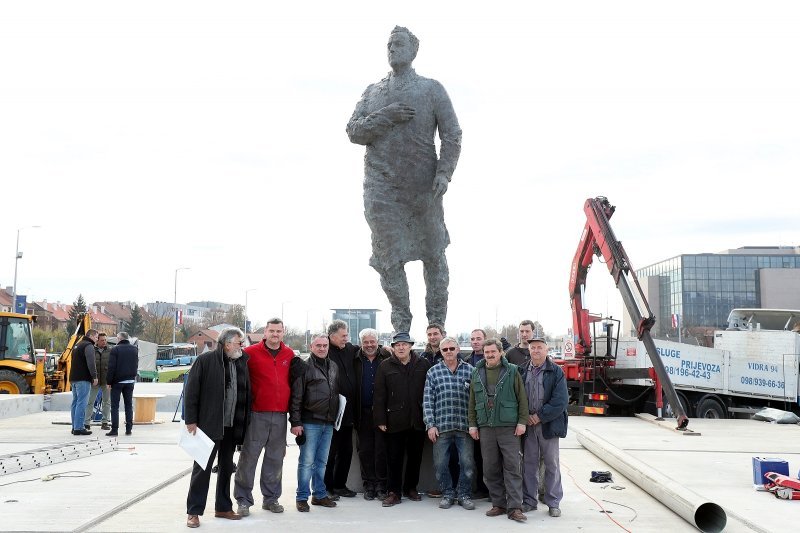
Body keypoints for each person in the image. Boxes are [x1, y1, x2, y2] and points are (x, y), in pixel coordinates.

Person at [347, 26, 462, 333]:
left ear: (414, 51)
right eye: (388, 45)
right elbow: (354, 131)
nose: (392, 49)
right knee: (387, 257)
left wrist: (444, 173)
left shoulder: (431, 89)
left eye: (398, 44)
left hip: (423, 188)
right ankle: (401, 326)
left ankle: (436, 326)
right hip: (381, 188)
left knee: (434, 254)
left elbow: (452, 134)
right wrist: (386, 115)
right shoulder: (373, 92)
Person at [234, 318, 302, 516]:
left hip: (280, 415)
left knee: (275, 459)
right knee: (248, 458)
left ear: (284, 332)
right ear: (265, 332)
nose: (275, 334)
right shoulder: (250, 353)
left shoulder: (289, 354)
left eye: (278, 331)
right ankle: (243, 500)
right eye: (271, 331)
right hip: (257, 415)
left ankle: (271, 499)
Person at [184, 327, 251, 528]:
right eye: (239, 343)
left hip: (231, 425)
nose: (242, 346)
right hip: (208, 424)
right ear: (227, 343)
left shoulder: (241, 362)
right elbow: (191, 391)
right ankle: (193, 512)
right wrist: (191, 420)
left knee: (226, 468)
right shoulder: (205, 361)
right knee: (202, 469)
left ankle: (223, 507)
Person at [468, 339, 529, 523]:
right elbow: (472, 401)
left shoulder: (512, 371)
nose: (490, 355)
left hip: (508, 426)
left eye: (493, 351)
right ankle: (498, 504)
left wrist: (522, 422)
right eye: (487, 352)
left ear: (501, 352)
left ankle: (515, 507)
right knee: (490, 468)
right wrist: (472, 424)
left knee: (512, 467)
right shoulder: (477, 372)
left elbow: (522, 398)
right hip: (486, 427)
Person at [373, 332, 431, 507]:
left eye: (404, 344)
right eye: (397, 344)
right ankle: (394, 492)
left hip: (418, 419)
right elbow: (379, 394)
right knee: (394, 458)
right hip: (394, 420)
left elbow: (430, 391)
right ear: (393, 347)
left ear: (411, 346)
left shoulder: (423, 364)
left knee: (415, 457)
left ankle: (411, 488)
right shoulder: (385, 366)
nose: (401, 347)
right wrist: (381, 419)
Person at [289, 333, 340, 512]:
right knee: (306, 462)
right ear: (311, 347)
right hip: (310, 422)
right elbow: (296, 396)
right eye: (318, 345)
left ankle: (319, 495)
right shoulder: (304, 367)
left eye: (325, 345)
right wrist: (295, 422)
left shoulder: (333, 366)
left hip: (328, 423)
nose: (322, 348)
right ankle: (302, 497)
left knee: (322, 462)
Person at [423, 336, 475, 511]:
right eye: (445, 350)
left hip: (465, 426)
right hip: (441, 427)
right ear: (441, 352)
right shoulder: (433, 372)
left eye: (452, 348)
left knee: (467, 463)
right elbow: (428, 401)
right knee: (440, 464)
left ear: (458, 349)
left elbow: (476, 400)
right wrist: (430, 424)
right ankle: (447, 493)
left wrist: (475, 424)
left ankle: (464, 494)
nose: (449, 352)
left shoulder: (471, 371)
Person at [522, 334, 569, 517]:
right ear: (529, 350)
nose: (535, 350)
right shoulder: (522, 370)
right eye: (532, 348)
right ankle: (529, 501)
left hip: (548, 424)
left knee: (551, 463)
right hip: (528, 425)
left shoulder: (556, 371)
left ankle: (553, 502)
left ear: (546, 349)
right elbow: (517, 396)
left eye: (539, 347)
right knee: (529, 464)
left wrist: (539, 416)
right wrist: (525, 416)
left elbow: (560, 401)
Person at [353, 328, 391, 500]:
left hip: (382, 413)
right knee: (365, 450)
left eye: (372, 341)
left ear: (377, 341)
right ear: (361, 343)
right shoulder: (355, 358)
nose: (369, 345)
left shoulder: (387, 357)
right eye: (366, 342)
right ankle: (368, 485)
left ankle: (382, 485)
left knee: (381, 450)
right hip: (362, 412)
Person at [324, 320, 359, 499]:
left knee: (346, 450)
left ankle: (340, 485)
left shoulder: (350, 349)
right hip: (332, 410)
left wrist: (386, 350)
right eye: (343, 335)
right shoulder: (325, 350)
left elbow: (369, 350)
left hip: (348, 410)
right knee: (331, 451)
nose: (347, 338)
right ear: (332, 336)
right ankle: (327, 487)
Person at [462, 327, 488, 498]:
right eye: (472, 339)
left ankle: (491, 489)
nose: (475, 341)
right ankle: (479, 488)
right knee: (475, 455)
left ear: (485, 340)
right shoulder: (465, 361)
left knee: (490, 456)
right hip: (470, 415)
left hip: (489, 415)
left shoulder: (493, 358)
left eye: (479, 338)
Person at [105, 331, 138, 437]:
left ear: (119, 338)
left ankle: (114, 429)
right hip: (130, 381)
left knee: (115, 406)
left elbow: (111, 367)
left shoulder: (115, 349)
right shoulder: (134, 349)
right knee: (129, 405)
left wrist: (109, 381)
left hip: (117, 382)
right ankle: (129, 429)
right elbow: (136, 364)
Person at [69, 328, 98, 436]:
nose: (96, 339)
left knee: (75, 402)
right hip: (83, 379)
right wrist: (94, 376)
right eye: (96, 337)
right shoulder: (88, 346)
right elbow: (91, 362)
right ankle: (79, 427)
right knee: (82, 402)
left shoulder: (77, 345)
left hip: (73, 378)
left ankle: (74, 426)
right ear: (91, 336)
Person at [84, 331, 111, 430]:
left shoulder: (110, 351)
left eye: (105, 340)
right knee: (90, 401)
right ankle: (87, 422)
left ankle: (105, 422)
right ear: (97, 341)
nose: (104, 342)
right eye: (102, 340)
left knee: (107, 402)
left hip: (106, 381)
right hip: (94, 381)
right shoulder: (92, 350)